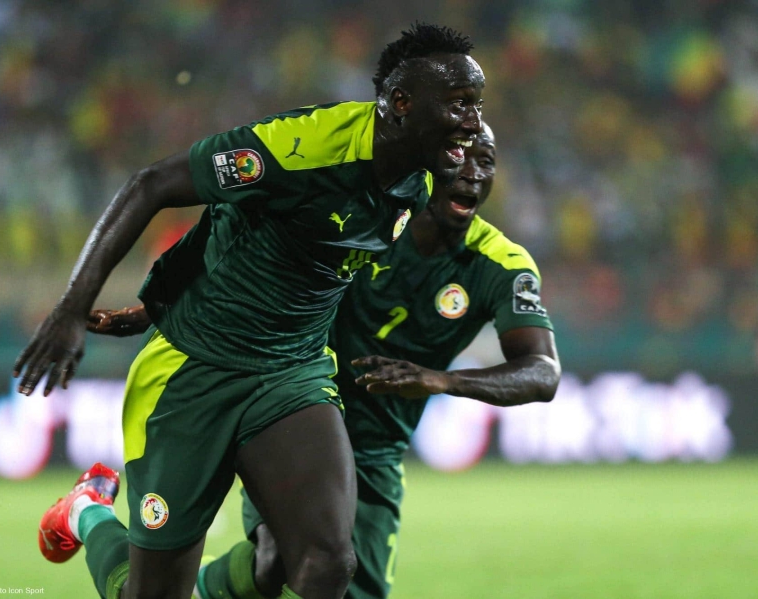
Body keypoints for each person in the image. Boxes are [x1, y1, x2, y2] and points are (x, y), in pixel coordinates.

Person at [14, 23, 485, 599]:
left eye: (477, 105)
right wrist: (72, 308)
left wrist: (157, 304)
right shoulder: (304, 146)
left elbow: (249, 235)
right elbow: (151, 184)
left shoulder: (420, 181)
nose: (473, 121)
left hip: (291, 372)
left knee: (328, 561)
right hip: (195, 372)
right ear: (402, 103)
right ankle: (88, 511)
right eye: (459, 104)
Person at [87, 123, 561, 599]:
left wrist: (442, 381)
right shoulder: (373, 217)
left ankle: (98, 520)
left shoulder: (500, 263)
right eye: (463, 157)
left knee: (307, 574)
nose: (474, 173)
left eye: (487, 162)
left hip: (375, 449)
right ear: (432, 162)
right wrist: (158, 308)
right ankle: (97, 520)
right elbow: (242, 252)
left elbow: (543, 372)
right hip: (284, 410)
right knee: (281, 560)